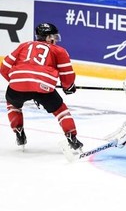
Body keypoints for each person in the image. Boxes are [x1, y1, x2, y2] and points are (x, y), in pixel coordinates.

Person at [0, 23, 83, 151]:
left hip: (17, 85)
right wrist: (69, 87)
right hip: (44, 87)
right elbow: (67, 75)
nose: (55, 39)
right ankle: (72, 139)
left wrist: (17, 82)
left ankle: (19, 132)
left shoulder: (24, 45)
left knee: (13, 104)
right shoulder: (59, 51)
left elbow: (4, 68)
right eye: (54, 36)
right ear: (49, 37)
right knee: (61, 110)